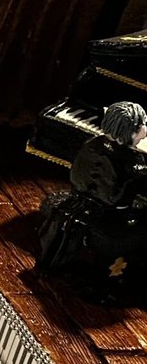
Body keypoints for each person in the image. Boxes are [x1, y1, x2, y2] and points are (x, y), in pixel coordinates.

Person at [38, 100, 147, 303]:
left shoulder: (91, 144)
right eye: (142, 126)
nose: (144, 130)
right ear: (132, 132)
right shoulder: (134, 164)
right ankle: (118, 283)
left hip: (79, 202)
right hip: (109, 218)